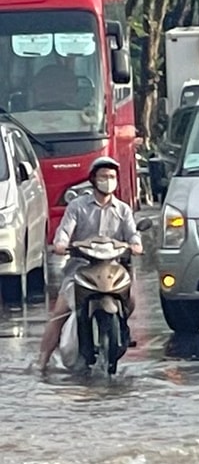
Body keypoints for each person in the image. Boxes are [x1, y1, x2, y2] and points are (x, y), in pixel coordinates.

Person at [38, 157, 142, 374]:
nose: (108, 181)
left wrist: (135, 245)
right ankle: (43, 360)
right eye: (104, 176)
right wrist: (61, 244)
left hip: (113, 269)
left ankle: (122, 330)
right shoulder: (77, 207)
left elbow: (134, 236)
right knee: (60, 313)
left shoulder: (123, 210)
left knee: (131, 300)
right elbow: (64, 232)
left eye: (112, 177)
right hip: (80, 268)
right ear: (93, 179)